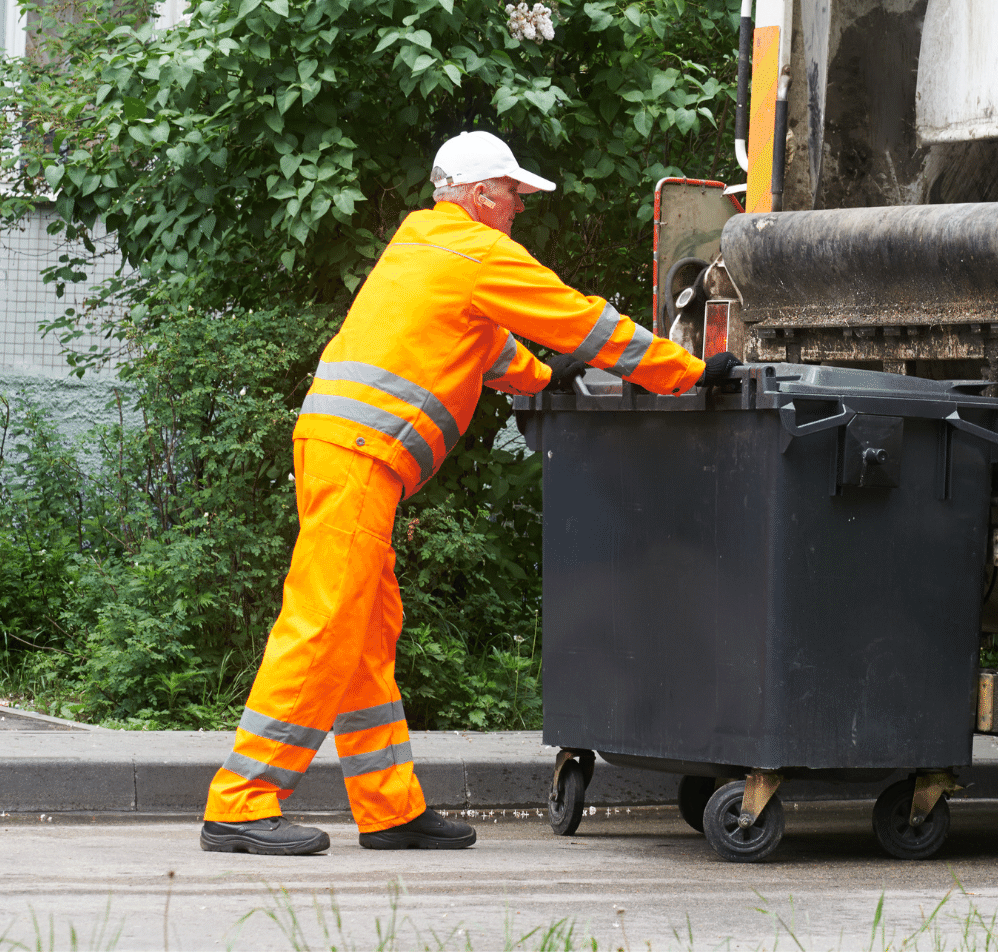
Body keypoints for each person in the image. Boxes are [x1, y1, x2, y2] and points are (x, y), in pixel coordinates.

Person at [199, 131, 735, 854]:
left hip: (342, 450)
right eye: (513, 194)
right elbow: (581, 320)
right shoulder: (478, 251)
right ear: (482, 195)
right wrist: (687, 372)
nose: (519, 207)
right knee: (325, 621)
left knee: (363, 631)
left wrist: (545, 381)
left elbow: (479, 342)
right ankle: (241, 802)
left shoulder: (427, 243)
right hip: (358, 456)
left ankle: (388, 810)